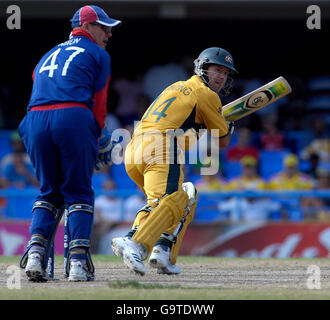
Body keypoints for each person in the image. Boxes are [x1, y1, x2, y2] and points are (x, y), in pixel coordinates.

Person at [111, 47, 237, 275]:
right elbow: (222, 142)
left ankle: (163, 253)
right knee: (175, 198)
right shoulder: (208, 95)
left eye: (226, 73)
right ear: (202, 68)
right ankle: (136, 242)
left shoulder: (177, 86)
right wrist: (229, 126)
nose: (221, 76)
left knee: (179, 198)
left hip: (134, 147)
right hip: (161, 146)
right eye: (217, 70)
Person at [18, 5, 121, 282]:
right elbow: (99, 105)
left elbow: (37, 92)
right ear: (86, 27)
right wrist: (97, 136)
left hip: (34, 119)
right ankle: (77, 263)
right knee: (78, 191)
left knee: (49, 191)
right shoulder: (99, 54)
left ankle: (36, 255)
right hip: (73, 116)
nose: (109, 33)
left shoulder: (47, 54)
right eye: (103, 27)